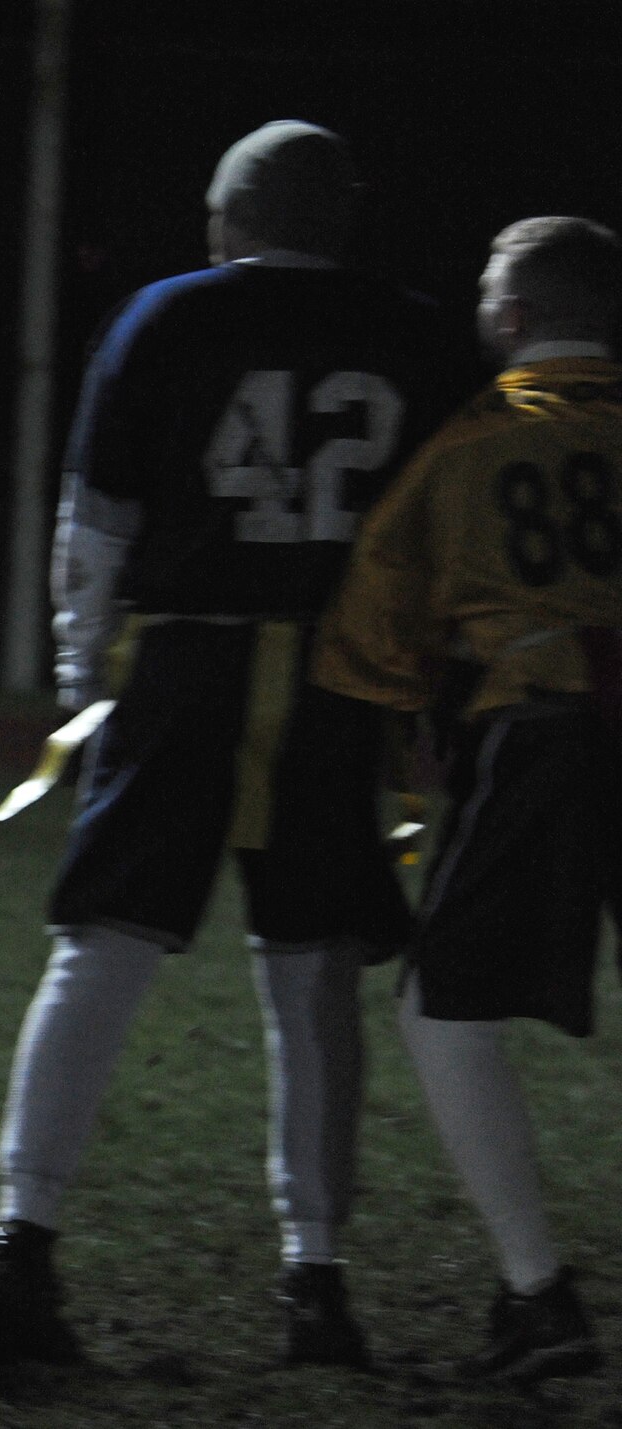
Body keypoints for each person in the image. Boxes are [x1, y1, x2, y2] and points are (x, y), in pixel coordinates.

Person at [0, 121, 470, 1367]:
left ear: (227, 219)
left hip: (184, 668)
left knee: (98, 952)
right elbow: (434, 546)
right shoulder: (412, 334)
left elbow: (94, 527)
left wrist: (89, 687)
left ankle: (18, 1240)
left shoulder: (161, 319)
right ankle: (315, 1276)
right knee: (308, 974)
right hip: (330, 678)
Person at [312, 215, 622, 1384]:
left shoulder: (460, 450)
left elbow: (366, 640)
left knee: (441, 1011)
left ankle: (538, 1294)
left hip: (538, 731)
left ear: (512, 317)